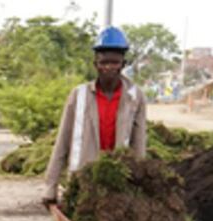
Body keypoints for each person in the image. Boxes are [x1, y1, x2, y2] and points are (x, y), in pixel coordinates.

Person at [42, 27, 148, 207]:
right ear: (95, 64)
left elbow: (139, 145)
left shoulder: (135, 97)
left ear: (123, 64)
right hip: (81, 181)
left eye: (114, 63)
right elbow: (62, 142)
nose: (108, 68)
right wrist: (50, 187)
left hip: (117, 181)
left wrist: (139, 186)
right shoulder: (79, 95)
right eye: (103, 62)